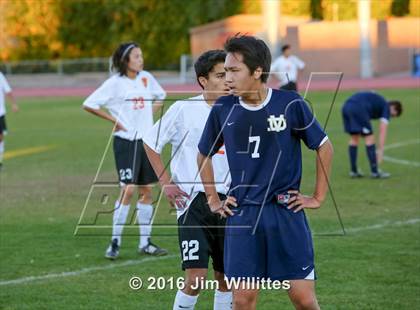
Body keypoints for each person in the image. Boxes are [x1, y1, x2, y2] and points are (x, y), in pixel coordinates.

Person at [197, 35, 333, 310]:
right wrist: (213, 199)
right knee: (243, 300)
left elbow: (324, 146)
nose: (227, 79)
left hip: (285, 214)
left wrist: (317, 197)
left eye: (234, 71)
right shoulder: (224, 107)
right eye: (224, 73)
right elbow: (203, 154)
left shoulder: (289, 103)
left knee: (303, 299)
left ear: (257, 71)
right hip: (243, 214)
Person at [143, 50, 232, 310]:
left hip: (230, 201)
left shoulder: (239, 109)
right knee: (196, 277)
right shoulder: (183, 109)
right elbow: (150, 142)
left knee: (226, 277)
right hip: (194, 203)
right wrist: (166, 182)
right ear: (203, 80)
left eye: (229, 73)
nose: (227, 79)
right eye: (220, 75)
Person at [82, 42, 167, 259]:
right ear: (125, 60)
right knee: (128, 189)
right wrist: (115, 121)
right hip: (126, 142)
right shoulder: (114, 84)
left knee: (147, 190)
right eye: (137, 56)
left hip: (146, 141)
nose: (141, 59)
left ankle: (145, 242)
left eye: (141, 56)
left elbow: (161, 95)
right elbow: (89, 104)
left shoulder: (146, 77)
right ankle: (115, 241)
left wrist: (149, 114)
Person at [341, 91, 402, 178]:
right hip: (359, 108)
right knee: (370, 138)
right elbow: (383, 129)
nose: (390, 116)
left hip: (346, 106)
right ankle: (375, 172)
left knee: (354, 138)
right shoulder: (386, 106)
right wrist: (380, 151)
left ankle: (354, 171)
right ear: (393, 107)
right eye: (392, 115)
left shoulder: (379, 102)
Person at [0, 71, 19, 171]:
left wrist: (14, 104)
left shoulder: (0, 75)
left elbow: (8, 90)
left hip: (0, 113)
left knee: (1, 138)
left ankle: (0, 161)